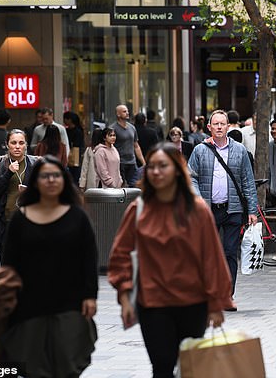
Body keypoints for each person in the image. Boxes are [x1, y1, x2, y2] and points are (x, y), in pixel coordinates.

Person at [108, 144, 234, 378]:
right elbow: (120, 256)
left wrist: (217, 303)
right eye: (151, 166)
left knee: (190, 367)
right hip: (153, 304)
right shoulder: (138, 209)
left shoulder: (197, 210)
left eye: (163, 166)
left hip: (193, 303)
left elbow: (212, 258)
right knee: (162, 366)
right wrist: (125, 297)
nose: (156, 172)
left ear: (177, 169)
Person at [1, 155, 98, 377]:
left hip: (69, 303)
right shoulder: (21, 219)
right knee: (34, 366)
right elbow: (9, 264)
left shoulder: (77, 217)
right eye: (45, 176)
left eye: (56, 175)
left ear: (64, 180)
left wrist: (90, 296)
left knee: (68, 363)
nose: (51, 180)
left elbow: (88, 258)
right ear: (35, 182)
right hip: (29, 304)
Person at [187, 109, 258, 309]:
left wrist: (252, 210)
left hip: (233, 210)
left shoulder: (239, 150)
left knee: (229, 253)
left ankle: (227, 295)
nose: (219, 127)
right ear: (209, 127)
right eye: (215, 124)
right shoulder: (200, 150)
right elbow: (190, 176)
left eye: (222, 124)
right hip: (208, 211)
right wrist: (199, 199)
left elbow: (247, 181)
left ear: (228, 126)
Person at [0, 129, 39, 260]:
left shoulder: (36, 164)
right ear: (7, 144)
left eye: (21, 143)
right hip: (5, 223)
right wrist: (8, 173)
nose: (17, 146)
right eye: (13, 142)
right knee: (7, 265)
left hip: (29, 223)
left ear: (26, 145)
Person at [110, 105, 145, 187]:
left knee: (134, 185)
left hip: (132, 162)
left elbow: (136, 146)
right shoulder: (112, 128)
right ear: (118, 114)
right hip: (120, 162)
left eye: (127, 111)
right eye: (124, 111)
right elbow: (109, 146)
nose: (127, 113)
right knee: (120, 186)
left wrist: (143, 162)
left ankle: (133, 200)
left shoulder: (132, 128)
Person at [63, 111, 85, 184]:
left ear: (70, 120)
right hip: (70, 153)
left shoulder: (78, 131)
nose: (64, 121)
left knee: (74, 173)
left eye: (65, 119)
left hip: (75, 154)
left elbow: (77, 144)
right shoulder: (66, 130)